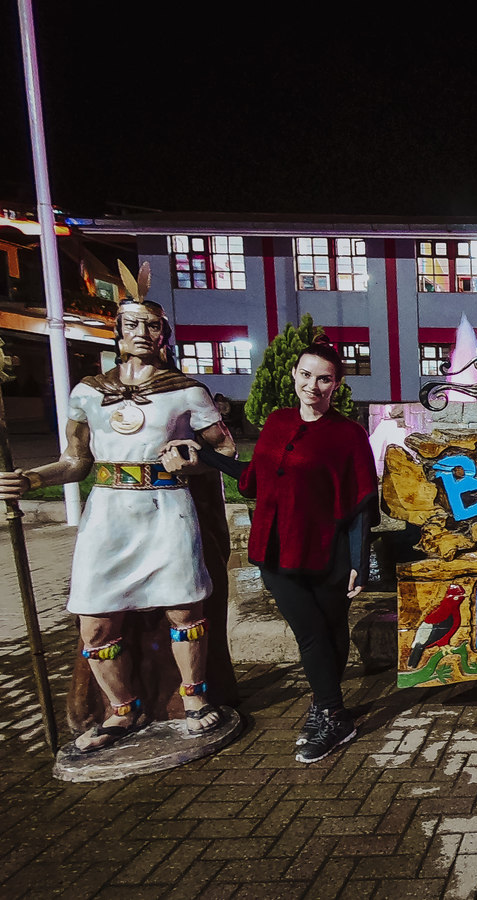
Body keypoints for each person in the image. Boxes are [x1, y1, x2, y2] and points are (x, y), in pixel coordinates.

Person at [0, 264, 235, 752]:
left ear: (163, 335)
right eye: (133, 324)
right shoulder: (88, 393)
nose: (143, 333)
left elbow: (225, 451)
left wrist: (192, 461)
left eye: (153, 325)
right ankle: (121, 710)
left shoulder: (186, 392)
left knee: (184, 607)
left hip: (166, 506)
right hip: (108, 512)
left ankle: (194, 698)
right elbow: (75, 460)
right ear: (118, 331)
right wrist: (32, 478)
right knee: (98, 619)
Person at [168, 336, 378, 763]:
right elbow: (255, 476)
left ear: (336, 384)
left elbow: (360, 501)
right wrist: (204, 454)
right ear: (294, 376)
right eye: (306, 375)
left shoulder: (348, 435)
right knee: (311, 632)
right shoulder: (278, 422)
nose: (313, 386)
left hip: (328, 552)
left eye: (324, 379)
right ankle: (334, 714)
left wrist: (359, 561)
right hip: (276, 549)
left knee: (333, 633)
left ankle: (326, 712)